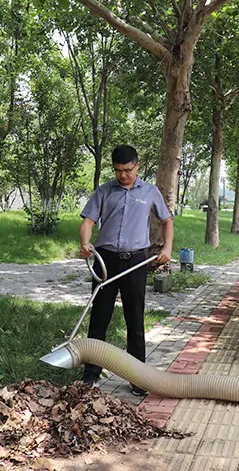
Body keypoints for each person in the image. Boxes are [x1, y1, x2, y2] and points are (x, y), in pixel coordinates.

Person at [79, 145, 174, 395]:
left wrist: (168, 248)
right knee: (100, 317)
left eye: (127, 170)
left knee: (135, 318)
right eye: (118, 171)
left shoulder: (151, 192)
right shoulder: (104, 191)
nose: (123, 175)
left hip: (135, 262)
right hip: (105, 260)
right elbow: (88, 221)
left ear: (137, 166)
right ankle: (90, 375)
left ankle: (137, 377)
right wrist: (85, 243)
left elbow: (167, 221)